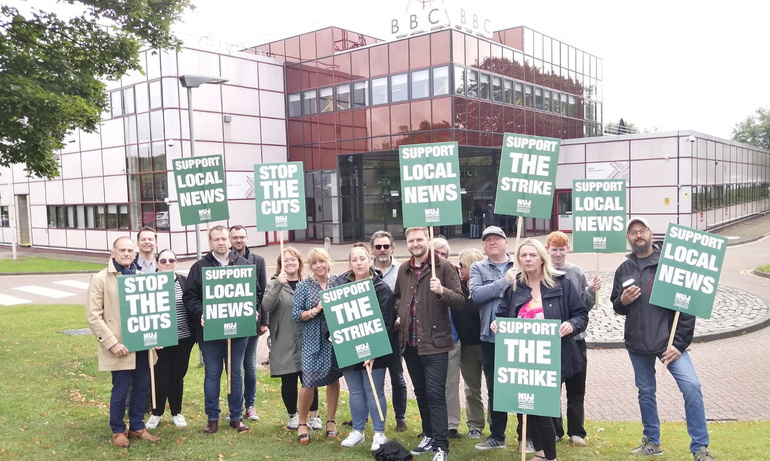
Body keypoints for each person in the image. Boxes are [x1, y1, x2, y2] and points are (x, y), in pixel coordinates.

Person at [611, 217, 717, 461]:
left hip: (668, 343)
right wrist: (623, 301)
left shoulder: (671, 264)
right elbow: (617, 306)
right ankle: (652, 442)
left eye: (642, 231)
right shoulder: (624, 269)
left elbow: (687, 307)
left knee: (692, 387)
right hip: (637, 343)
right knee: (645, 391)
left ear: (650, 233)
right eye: (633, 232)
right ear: (628, 238)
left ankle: (700, 448)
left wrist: (678, 344)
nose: (638, 235)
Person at [493, 238, 588, 461]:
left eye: (532, 255)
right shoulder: (514, 286)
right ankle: (541, 452)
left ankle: (550, 457)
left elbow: (581, 315)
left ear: (542, 258)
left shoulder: (561, 284)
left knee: (543, 408)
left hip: (552, 357)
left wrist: (571, 325)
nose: (527, 259)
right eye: (523, 255)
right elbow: (502, 314)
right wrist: (498, 324)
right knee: (527, 407)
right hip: (522, 358)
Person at [394, 227, 464, 461]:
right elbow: (398, 298)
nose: (415, 243)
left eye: (419, 239)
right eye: (411, 240)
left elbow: (460, 301)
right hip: (410, 343)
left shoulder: (443, 267)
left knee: (435, 394)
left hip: (435, 343)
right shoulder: (404, 269)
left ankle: (441, 446)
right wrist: (399, 315)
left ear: (428, 240)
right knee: (421, 392)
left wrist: (441, 290)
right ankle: (430, 435)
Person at [85, 236, 161, 448]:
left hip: (142, 346)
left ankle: (137, 426)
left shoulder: (141, 277)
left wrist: (157, 336)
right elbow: (93, 316)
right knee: (120, 390)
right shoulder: (100, 279)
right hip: (119, 347)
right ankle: (118, 430)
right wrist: (112, 343)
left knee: (140, 388)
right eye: (123, 250)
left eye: (130, 250)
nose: (127, 254)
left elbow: (151, 311)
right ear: (113, 252)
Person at [183, 225, 253, 434]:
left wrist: (253, 310)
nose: (221, 242)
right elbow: (190, 296)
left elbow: (254, 293)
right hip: (210, 331)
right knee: (212, 374)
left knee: (236, 373)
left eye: (224, 238)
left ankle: (236, 416)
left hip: (238, 330)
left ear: (229, 240)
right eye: (217, 239)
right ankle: (212, 417)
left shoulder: (243, 264)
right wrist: (201, 314)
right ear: (210, 242)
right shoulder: (199, 267)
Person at [332, 244, 396, 451]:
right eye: (354, 259)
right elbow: (330, 316)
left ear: (369, 260)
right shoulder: (339, 286)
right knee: (355, 392)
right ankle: (357, 431)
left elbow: (387, 322)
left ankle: (379, 432)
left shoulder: (381, 288)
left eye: (362, 258)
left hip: (375, 352)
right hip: (349, 346)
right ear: (349, 263)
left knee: (374, 391)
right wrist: (331, 335)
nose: (359, 263)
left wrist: (374, 351)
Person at [545, 231, 600, 447]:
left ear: (568, 249)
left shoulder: (576, 272)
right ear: (547, 249)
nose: (558, 254)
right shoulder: (543, 271)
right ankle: (555, 429)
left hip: (576, 339)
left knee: (576, 387)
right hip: (551, 340)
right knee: (551, 388)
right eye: (554, 249)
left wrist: (591, 292)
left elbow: (584, 307)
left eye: (561, 249)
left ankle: (576, 431)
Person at [261, 247, 321, 431]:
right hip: (285, 338)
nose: (290, 262)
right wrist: (278, 284)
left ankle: (313, 415)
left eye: (293, 259)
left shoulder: (309, 282)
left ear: (299, 262)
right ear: (280, 264)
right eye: (286, 260)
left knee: (309, 378)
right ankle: (292, 415)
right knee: (289, 378)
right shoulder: (274, 283)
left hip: (307, 336)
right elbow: (267, 305)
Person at [468, 225, 515, 451]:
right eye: (488, 239)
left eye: (497, 238)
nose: (492, 242)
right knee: (495, 388)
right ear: (483, 245)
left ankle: (528, 435)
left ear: (506, 242)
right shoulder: (478, 267)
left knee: (522, 384)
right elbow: (477, 295)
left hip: (518, 337)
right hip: (490, 337)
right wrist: (504, 281)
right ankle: (497, 435)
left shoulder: (520, 263)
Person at [292, 248, 342, 445]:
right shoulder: (304, 286)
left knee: (334, 378)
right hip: (313, 339)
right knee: (309, 381)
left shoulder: (338, 282)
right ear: (310, 266)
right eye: (314, 263)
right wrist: (316, 310)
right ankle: (303, 422)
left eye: (322, 261)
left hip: (335, 339)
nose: (319, 266)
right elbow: (296, 315)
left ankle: (331, 420)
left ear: (328, 262)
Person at [146, 249, 195, 429]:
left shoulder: (183, 281)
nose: (168, 263)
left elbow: (192, 302)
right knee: (160, 377)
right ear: (157, 263)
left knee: (177, 376)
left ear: (176, 262)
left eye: (171, 260)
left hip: (183, 338)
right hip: (160, 341)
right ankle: (156, 413)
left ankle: (177, 412)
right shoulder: (149, 282)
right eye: (164, 260)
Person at [229, 225, 268, 422]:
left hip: (251, 322)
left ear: (247, 238)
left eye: (241, 237)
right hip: (228, 321)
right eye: (234, 237)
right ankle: (233, 406)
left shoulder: (258, 260)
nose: (238, 240)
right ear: (230, 239)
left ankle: (250, 405)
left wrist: (264, 321)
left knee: (249, 364)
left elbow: (263, 293)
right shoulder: (223, 261)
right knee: (233, 366)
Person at [370, 230, 408, 432]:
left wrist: (400, 320)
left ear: (392, 248)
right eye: (378, 246)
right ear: (372, 250)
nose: (382, 250)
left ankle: (400, 417)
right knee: (368, 375)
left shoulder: (401, 269)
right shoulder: (364, 270)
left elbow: (406, 297)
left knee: (397, 376)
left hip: (394, 332)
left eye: (386, 246)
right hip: (370, 333)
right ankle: (368, 414)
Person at [455, 248, 486, 439]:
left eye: (462, 265)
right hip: (467, 346)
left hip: (487, 344)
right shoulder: (457, 287)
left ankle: (497, 426)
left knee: (494, 387)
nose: (459, 268)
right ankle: (475, 424)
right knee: (471, 388)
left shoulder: (485, 285)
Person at [432, 237, 462, 439]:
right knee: (432, 386)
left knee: (451, 384)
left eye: (444, 254)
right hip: (430, 340)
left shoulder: (451, 274)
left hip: (451, 337)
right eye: (437, 253)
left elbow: (460, 300)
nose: (441, 257)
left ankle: (452, 424)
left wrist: (443, 290)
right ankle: (433, 424)